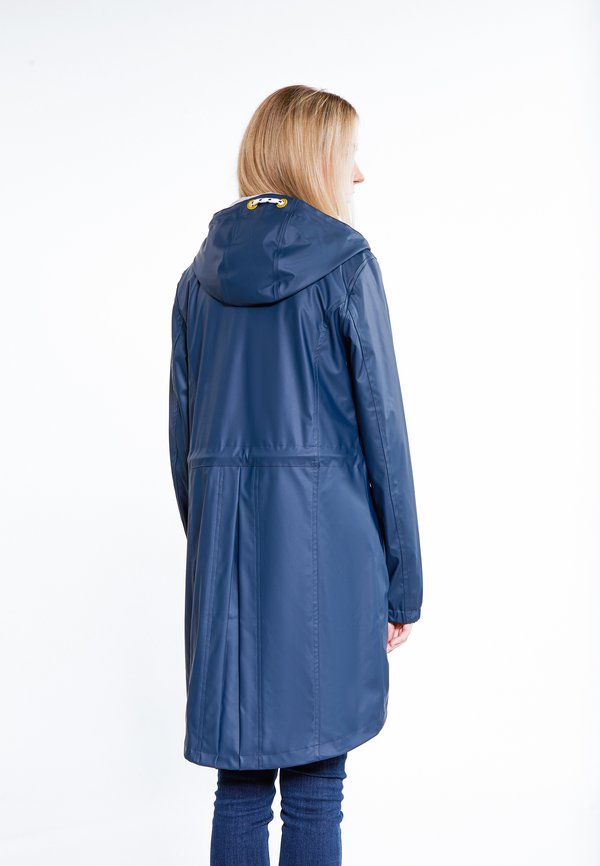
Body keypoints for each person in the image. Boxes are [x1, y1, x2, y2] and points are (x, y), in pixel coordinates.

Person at [168, 84, 424, 866]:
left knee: (240, 786)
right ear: (316, 156)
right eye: (350, 154)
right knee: (315, 785)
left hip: (226, 568)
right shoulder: (346, 264)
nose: (359, 174)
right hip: (328, 561)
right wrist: (403, 584)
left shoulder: (196, 279)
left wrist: (218, 554)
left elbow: (184, 442)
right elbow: (384, 433)